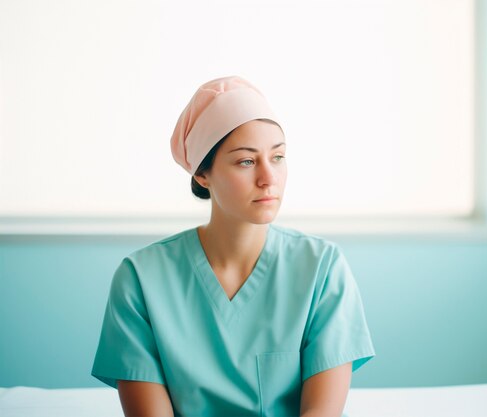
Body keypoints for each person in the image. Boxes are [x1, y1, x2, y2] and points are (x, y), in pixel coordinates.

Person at [91, 75, 376, 417]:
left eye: (279, 157)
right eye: (246, 161)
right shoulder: (140, 280)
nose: (268, 177)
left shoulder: (322, 268)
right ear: (202, 174)